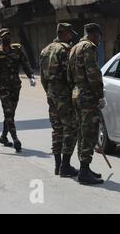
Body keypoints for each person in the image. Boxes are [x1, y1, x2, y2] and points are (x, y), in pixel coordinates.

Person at [0, 28, 36, 152]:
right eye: (4, 37)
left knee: (11, 114)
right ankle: (15, 139)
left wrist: (31, 76)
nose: (7, 39)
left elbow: (25, 63)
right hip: (3, 87)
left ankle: (3, 137)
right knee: (8, 113)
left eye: (8, 36)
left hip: (16, 86)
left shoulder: (17, 49)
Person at [68, 23, 105, 185]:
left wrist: (75, 89)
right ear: (94, 35)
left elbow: (68, 75)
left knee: (82, 132)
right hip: (88, 95)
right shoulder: (89, 48)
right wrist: (99, 95)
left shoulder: (74, 48)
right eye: (99, 37)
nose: (99, 40)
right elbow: (93, 75)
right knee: (89, 132)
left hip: (77, 93)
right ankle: (84, 170)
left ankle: (85, 167)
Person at [40, 23, 79, 177]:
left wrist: (50, 92)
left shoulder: (45, 50)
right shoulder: (65, 49)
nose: (71, 36)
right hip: (64, 95)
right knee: (70, 129)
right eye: (70, 33)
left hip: (51, 94)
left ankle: (57, 165)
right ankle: (66, 165)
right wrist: (74, 93)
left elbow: (43, 77)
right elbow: (70, 75)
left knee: (57, 129)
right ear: (64, 33)